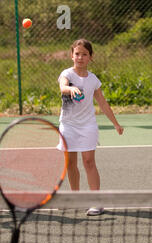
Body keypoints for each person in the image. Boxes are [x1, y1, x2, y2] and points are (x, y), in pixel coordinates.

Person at [58, 39, 124, 216]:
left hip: (87, 126)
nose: (80, 57)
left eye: (84, 54)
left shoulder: (93, 79)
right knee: (70, 163)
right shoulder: (67, 74)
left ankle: (96, 201)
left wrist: (116, 124)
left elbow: (102, 103)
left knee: (88, 162)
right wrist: (70, 90)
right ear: (72, 55)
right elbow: (63, 87)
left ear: (90, 57)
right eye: (77, 54)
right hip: (68, 125)